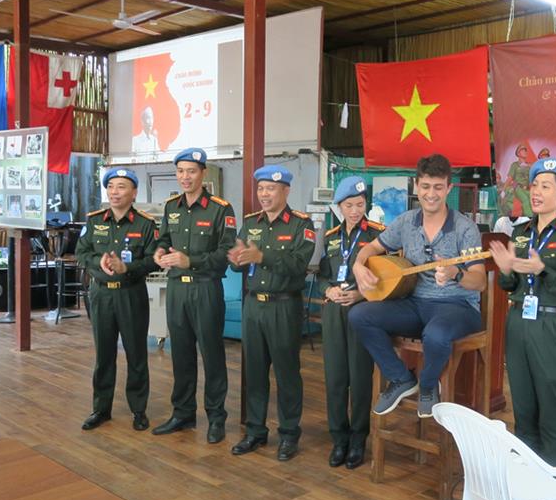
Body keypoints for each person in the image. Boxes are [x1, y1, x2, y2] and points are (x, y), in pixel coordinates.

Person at [349, 154, 487, 419]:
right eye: (425, 186)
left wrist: (455, 273)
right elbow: (373, 247)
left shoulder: (465, 228)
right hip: (414, 303)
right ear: (416, 186)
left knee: (435, 334)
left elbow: (479, 281)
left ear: (449, 188)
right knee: (360, 315)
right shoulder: (406, 221)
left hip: (458, 307)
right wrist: (359, 263)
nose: (431, 194)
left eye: (438, 187)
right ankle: (401, 379)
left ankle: (427, 386)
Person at [488, 157, 556, 466]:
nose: (536, 191)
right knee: (523, 408)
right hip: (518, 322)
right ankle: (527, 480)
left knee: (551, 411)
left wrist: (543, 268)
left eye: (545, 186)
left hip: (552, 325)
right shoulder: (521, 233)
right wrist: (506, 270)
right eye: (534, 185)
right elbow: (510, 285)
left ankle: (553, 486)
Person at [228, 164, 316, 461]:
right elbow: (237, 262)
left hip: (283, 305)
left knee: (287, 372)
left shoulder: (302, 225)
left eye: (271, 189)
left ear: (286, 191)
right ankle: (255, 431)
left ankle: (289, 434)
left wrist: (262, 256)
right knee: (254, 371)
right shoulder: (251, 222)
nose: (264, 194)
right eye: (261, 189)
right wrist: (236, 258)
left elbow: (298, 264)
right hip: (253, 305)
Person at [151, 148, 236, 443]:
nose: (184, 177)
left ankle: (216, 417)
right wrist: (159, 252)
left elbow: (225, 253)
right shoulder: (171, 206)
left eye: (191, 171)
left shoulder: (220, 208)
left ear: (202, 173)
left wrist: (192, 261)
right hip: (177, 289)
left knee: (212, 354)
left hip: (205, 288)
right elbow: (162, 239)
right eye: (180, 171)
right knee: (181, 354)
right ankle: (183, 413)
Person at [75, 168, 159, 431]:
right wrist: (96, 262)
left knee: (136, 353)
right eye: (111, 186)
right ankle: (101, 409)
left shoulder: (145, 224)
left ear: (134, 192)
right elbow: (81, 252)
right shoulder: (94, 221)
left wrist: (128, 268)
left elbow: (152, 260)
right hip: (101, 294)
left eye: (121, 187)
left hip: (131, 294)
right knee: (104, 353)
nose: (114, 192)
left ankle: (138, 409)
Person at [317, 176, 384, 469]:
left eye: (360, 204)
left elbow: (387, 277)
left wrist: (359, 294)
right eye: (349, 205)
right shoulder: (331, 236)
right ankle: (338, 438)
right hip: (333, 312)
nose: (355, 210)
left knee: (359, 379)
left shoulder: (379, 236)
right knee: (335, 378)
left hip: (362, 312)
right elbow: (321, 275)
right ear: (339, 207)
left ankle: (358, 439)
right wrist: (327, 290)